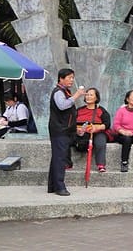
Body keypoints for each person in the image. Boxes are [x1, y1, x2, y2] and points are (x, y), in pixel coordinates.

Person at [48, 68, 86, 196]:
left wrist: (76, 129)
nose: (71, 80)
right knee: (60, 159)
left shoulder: (66, 92)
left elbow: (68, 116)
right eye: (69, 77)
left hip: (65, 130)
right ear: (61, 78)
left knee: (57, 158)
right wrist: (77, 95)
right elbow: (62, 106)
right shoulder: (59, 92)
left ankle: (53, 185)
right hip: (59, 131)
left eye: (72, 77)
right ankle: (60, 186)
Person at [73, 87, 111, 173]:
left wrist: (96, 128)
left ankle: (101, 165)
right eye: (87, 95)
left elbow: (107, 124)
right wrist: (78, 130)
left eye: (91, 95)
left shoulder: (101, 110)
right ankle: (67, 163)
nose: (88, 97)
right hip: (82, 133)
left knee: (100, 141)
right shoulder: (79, 110)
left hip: (97, 132)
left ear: (96, 98)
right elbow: (71, 124)